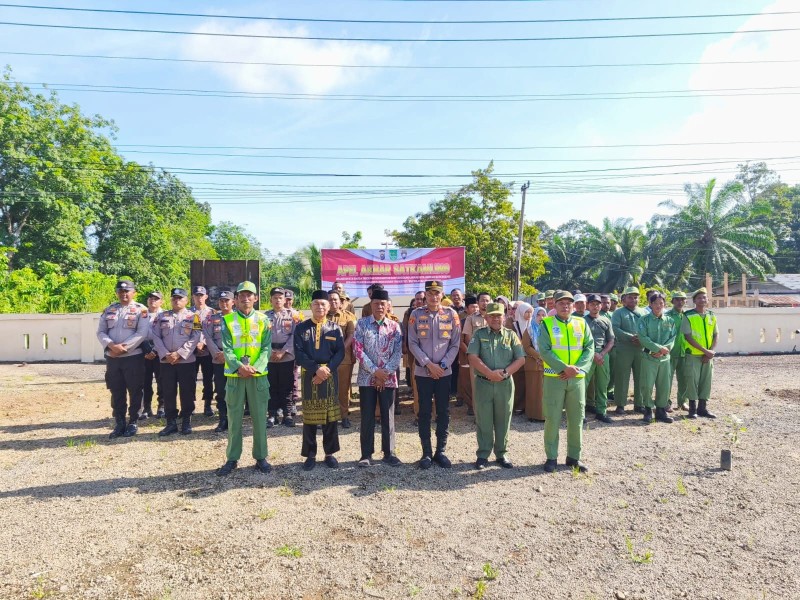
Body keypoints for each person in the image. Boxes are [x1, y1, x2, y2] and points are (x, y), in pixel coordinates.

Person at [216, 281, 273, 476]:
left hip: (258, 376)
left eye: (249, 295)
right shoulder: (227, 320)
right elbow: (227, 348)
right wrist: (240, 367)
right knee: (234, 419)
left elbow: (266, 347)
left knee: (259, 418)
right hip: (235, 376)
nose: (246, 298)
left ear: (256, 298)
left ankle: (261, 457)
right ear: (236, 299)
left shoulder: (264, 320)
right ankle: (232, 458)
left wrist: (255, 368)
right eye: (242, 295)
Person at [538, 290, 595, 473]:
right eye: (561, 303)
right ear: (554, 305)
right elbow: (545, 350)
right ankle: (551, 457)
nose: (565, 306)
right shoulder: (546, 324)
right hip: (555, 377)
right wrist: (564, 368)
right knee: (552, 418)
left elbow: (589, 348)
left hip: (577, 379)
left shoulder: (581, 323)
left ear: (573, 305)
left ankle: (573, 457)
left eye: (569, 303)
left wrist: (576, 369)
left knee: (577, 419)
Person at [407, 280, 461, 469]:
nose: (433, 297)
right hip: (423, 372)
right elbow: (412, 343)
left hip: (444, 373)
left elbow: (455, 343)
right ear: (426, 295)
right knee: (424, 412)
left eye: (437, 293)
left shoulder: (451, 314)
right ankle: (426, 453)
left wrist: (443, 365)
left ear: (442, 294)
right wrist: (428, 364)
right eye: (430, 293)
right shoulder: (416, 314)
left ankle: (441, 451)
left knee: (444, 412)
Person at [467, 302, 526, 469]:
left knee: (504, 420)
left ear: (504, 317)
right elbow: (472, 357)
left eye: (498, 315)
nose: (495, 319)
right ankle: (483, 454)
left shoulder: (511, 335)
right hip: (484, 384)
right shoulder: (478, 335)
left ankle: (502, 453)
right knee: (484, 420)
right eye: (491, 315)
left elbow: (520, 359)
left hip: (505, 385)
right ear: (486, 318)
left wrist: (505, 373)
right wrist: (489, 373)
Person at [294, 291, 345, 471]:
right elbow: (299, 353)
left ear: (329, 306)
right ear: (311, 306)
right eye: (316, 304)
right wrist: (317, 369)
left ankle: (329, 454)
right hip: (310, 375)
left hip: (330, 375)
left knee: (330, 417)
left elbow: (340, 352)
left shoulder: (335, 328)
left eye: (323, 304)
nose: (320, 307)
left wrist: (326, 369)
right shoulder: (301, 328)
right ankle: (310, 455)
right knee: (309, 418)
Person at [353, 288, 404, 467]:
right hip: (367, 378)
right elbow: (358, 350)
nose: (379, 307)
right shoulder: (362, 324)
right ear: (371, 305)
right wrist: (375, 371)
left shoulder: (394, 327)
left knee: (387, 415)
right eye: (376, 304)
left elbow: (398, 352)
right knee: (367, 415)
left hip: (388, 378)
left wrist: (385, 373)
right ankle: (366, 454)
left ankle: (389, 453)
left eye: (383, 304)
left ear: (387, 306)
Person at [96, 279, 150, 439]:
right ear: (117, 292)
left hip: (133, 357)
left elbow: (142, 333)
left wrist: (123, 347)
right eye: (120, 291)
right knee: (116, 390)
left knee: (135, 390)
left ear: (134, 293)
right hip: (113, 358)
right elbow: (101, 332)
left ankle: (133, 422)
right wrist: (111, 346)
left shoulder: (141, 310)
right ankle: (119, 422)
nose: (124, 294)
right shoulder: (109, 309)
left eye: (127, 291)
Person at [151, 288, 202, 436]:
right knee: (168, 392)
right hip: (167, 362)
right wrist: (166, 354)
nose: (177, 300)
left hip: (186, 362)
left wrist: (179, 354)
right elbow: (155, 336)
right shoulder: (161, 316)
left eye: (180, 298)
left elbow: (196, 336)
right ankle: (170, 422)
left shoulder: (195, 317)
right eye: (174, 298)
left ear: (186, 300)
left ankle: (186, 420)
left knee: (187, 392)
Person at [637, 292, 676, 424]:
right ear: (650, 304)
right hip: (649, 357)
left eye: (661, 303)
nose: (658, 305)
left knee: (664, 385)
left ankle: (661, 410)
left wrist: (663, 351)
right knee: (647, 385)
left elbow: (672, 338)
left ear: (664, 304)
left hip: (664, 358)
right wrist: (658, 348)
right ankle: (648, 409)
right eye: (655, 303)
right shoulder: (644, 320)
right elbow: (643, 338)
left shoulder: (670, 321)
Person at [682, 288, 719, 419]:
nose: (702, 300)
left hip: (707, 356)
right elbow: (688, 337)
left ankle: (702, 408)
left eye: (704, 297)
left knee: (706, 382)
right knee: (692, 381)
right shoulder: (688, 315)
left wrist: (711, 352)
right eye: (699, 298)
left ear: (708, 300)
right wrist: (705, 351)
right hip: (693, 355)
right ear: (694, 301)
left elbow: (715, 334)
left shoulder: (711, 315)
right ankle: (692, 409)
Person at [203, 289, 235, 432]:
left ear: (233, 302)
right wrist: (217, 353)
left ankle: (235, 419)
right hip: (218, 359)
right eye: (221, 301)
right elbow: (208, 337)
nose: (224, 303)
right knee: (221, 391)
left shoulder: (238, 318)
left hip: (234, 359)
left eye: (226, 301)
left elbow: (242, 339)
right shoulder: (212, 318)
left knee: (235, 390)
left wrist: (227, 354)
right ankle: (223, 419)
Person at [611, 286, 647, 414]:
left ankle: (639, 404)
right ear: (624, 299)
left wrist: (642, 339)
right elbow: (615, 328)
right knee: (621, 377)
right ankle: (620, 405)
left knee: (641, 376)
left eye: (636, 297)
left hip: (641, 349)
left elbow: (648, 329)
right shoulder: (618, 313)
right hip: (624, 348)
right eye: (630, 297)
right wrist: (630, 337)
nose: (633, 299)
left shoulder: (644, 313)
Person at [265, 287, 297, 427]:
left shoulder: (293, 316)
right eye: (275, 298)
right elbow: (261, 336)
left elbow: (295, 335)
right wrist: (270, 351)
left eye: (280, 297)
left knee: (287, 386)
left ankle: (287, 414)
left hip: (286, 355)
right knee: (271, 386)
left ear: (285, 300)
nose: (277, 300)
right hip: (270, 355)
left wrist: (283, 351)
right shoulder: (265, 316)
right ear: (270, 300)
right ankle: (272, 415)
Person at [583, 294, 615, 423]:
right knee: (583, 385)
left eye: (597, 304)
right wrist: (593, 354)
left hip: (603, 354)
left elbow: (611, 340)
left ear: (600, 306)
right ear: (588, 306)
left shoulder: (606, 321)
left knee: (603, 384)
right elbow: (580, 341)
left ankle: (601, 411)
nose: (595, 306)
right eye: (592, 304)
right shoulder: (582, 321)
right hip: (586, 355)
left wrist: (601, 354)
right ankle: (581, 413)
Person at [327, 290, 357, 428]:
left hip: (343, 359)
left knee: (343, 389)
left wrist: (339, 351)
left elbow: (351, 337)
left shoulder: (348, 317)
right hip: (325, 359)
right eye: (330, 300)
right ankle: (327, 416)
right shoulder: (322, 317)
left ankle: (344, 416)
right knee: (326, 388)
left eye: (335, 300)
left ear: (340, 302)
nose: (333, 302)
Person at [461, 292, 491, 417]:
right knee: (477, 388)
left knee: (491, 387)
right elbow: (467, 338)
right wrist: (474, 355)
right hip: (476, 358)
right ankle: (479, 416)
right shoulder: (471, 318)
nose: (485, 303)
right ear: (478, 303)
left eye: (487, 300)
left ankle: (490, 414)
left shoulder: (495, 317)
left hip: (493, 358)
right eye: (482, 300)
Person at [190, 285, 215, 417]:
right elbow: (187, 332)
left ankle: (207, 405)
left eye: (201, 295)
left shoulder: (212, 313)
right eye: (197, 295)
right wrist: (195, 344)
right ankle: (191, 405)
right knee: (190, 379)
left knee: (207, 379)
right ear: (193, 297)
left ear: (206, 297)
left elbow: (213, 332)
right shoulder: (189, 312)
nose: (199, 298)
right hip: (192, 351)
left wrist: (204, 343)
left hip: (207, 350)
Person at [402, 291, 426, 421]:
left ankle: (434, 413)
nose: (419, 301)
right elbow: (406, 330)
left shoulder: (434, 313)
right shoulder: (410, 313)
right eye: (417, 299)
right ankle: (419, 414)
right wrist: (405, 345)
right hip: (414, 353)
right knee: (416, 383)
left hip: (431, 354)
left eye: (421, 299)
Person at [141, 291, 164, 420]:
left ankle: (162, 406)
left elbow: (166, 335)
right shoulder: (142, 314)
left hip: (159, 351)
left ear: (161, 302)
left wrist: (155, 350)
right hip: (144, 351)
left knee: (162, 380)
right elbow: (138, 332)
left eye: (156, 299)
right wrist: (145, 350)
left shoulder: (165, 314)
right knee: (145, 381)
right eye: (150, 298)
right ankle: (146, 408)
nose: (152, 301)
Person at [521, 306, 546, 421]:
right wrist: (539, 356)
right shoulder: (530, 329)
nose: (541, 317)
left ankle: (545, 415)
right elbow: (526, 346)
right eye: (538, 315)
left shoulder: (549, 329)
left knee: (544, 391)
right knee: (533, 390)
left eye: (543, 315)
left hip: (548, 364)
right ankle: (533, 414)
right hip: (533, 363)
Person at [666, 291, 688, 411]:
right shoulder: (667, 316)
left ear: (685, 301)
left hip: (684, 352)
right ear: (672, 301)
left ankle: (682, 402)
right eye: (677, 299)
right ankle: (666, 403)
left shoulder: (688, 315)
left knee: (684, 379)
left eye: (682, 299)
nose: (680, 302)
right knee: (667, 379)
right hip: (670, 352)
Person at [284, 289, 304, 419]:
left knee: (293, 378)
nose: (287, 302)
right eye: (285, 299)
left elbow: (300, 335)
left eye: (289, 299)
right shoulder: (274, 314)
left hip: (293, 351)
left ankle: (293, 402)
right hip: (278, 352)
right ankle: (281, 404)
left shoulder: (297, 315)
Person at [456, 295, 478, 411]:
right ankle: (470, 405)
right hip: (466, 356)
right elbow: (460, 341)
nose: (475, 309)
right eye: (472, 307)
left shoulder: (484, 320)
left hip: (481, 357)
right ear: (466, 309)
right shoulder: (462, 322)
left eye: (476, 307)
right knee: (466, 382)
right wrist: (470, 353)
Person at [511, 302, 533, 415]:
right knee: (519, 382)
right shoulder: (513, 324)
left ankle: (529, 406)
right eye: (526, 312)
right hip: (517, 357)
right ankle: (518, 405)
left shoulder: (533, 325)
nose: (529, 315)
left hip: (531, 357)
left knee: (530, 383)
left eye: (530, 312)